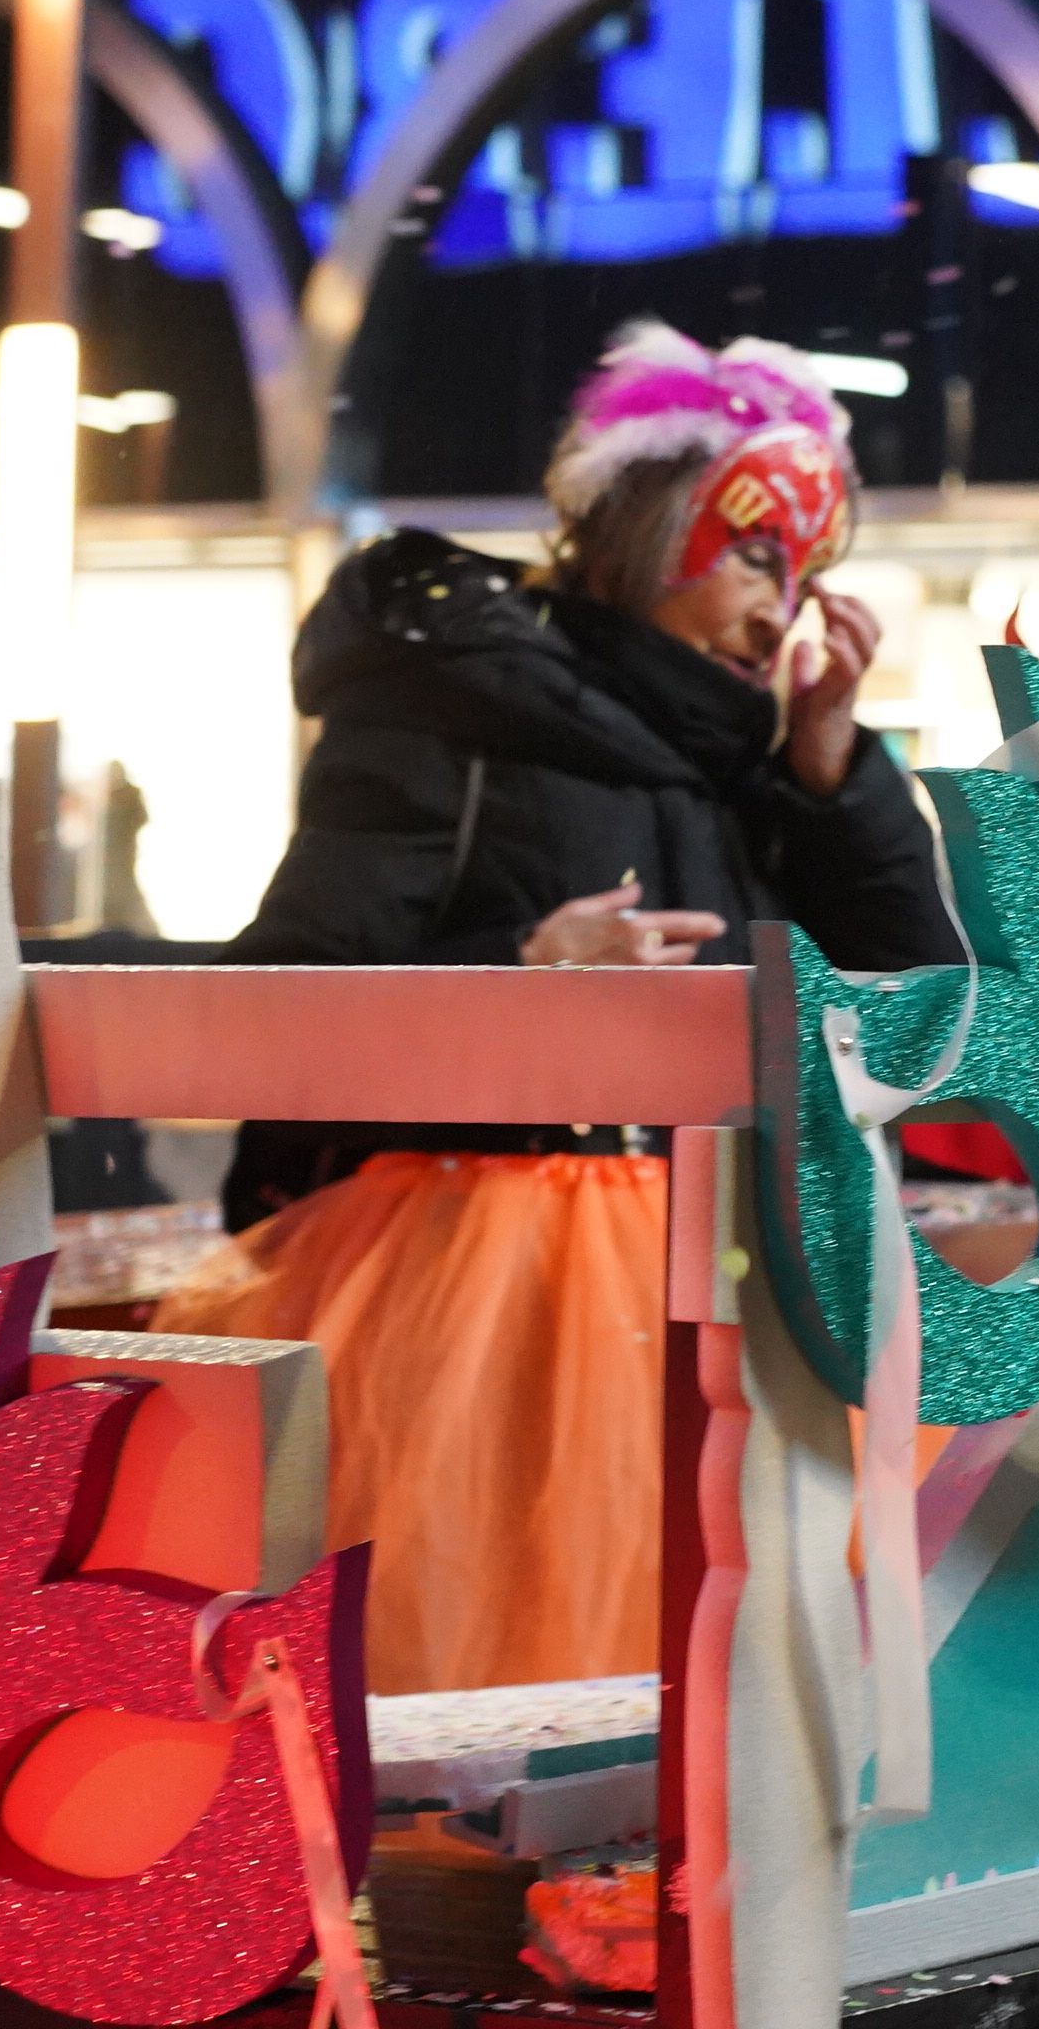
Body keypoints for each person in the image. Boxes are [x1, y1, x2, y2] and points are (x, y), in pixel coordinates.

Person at [168, 321, 954, 1693]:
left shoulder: (755, 763)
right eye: (759, 556)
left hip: (726, 1270)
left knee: (751, 1697)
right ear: (653, 534)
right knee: (479, 1681)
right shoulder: (446, 715)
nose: (785, 610)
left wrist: (837, 779)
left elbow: (917, 1003)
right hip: (474, 1294)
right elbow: (284, 1001)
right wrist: (526, 975)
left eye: (810, 571)